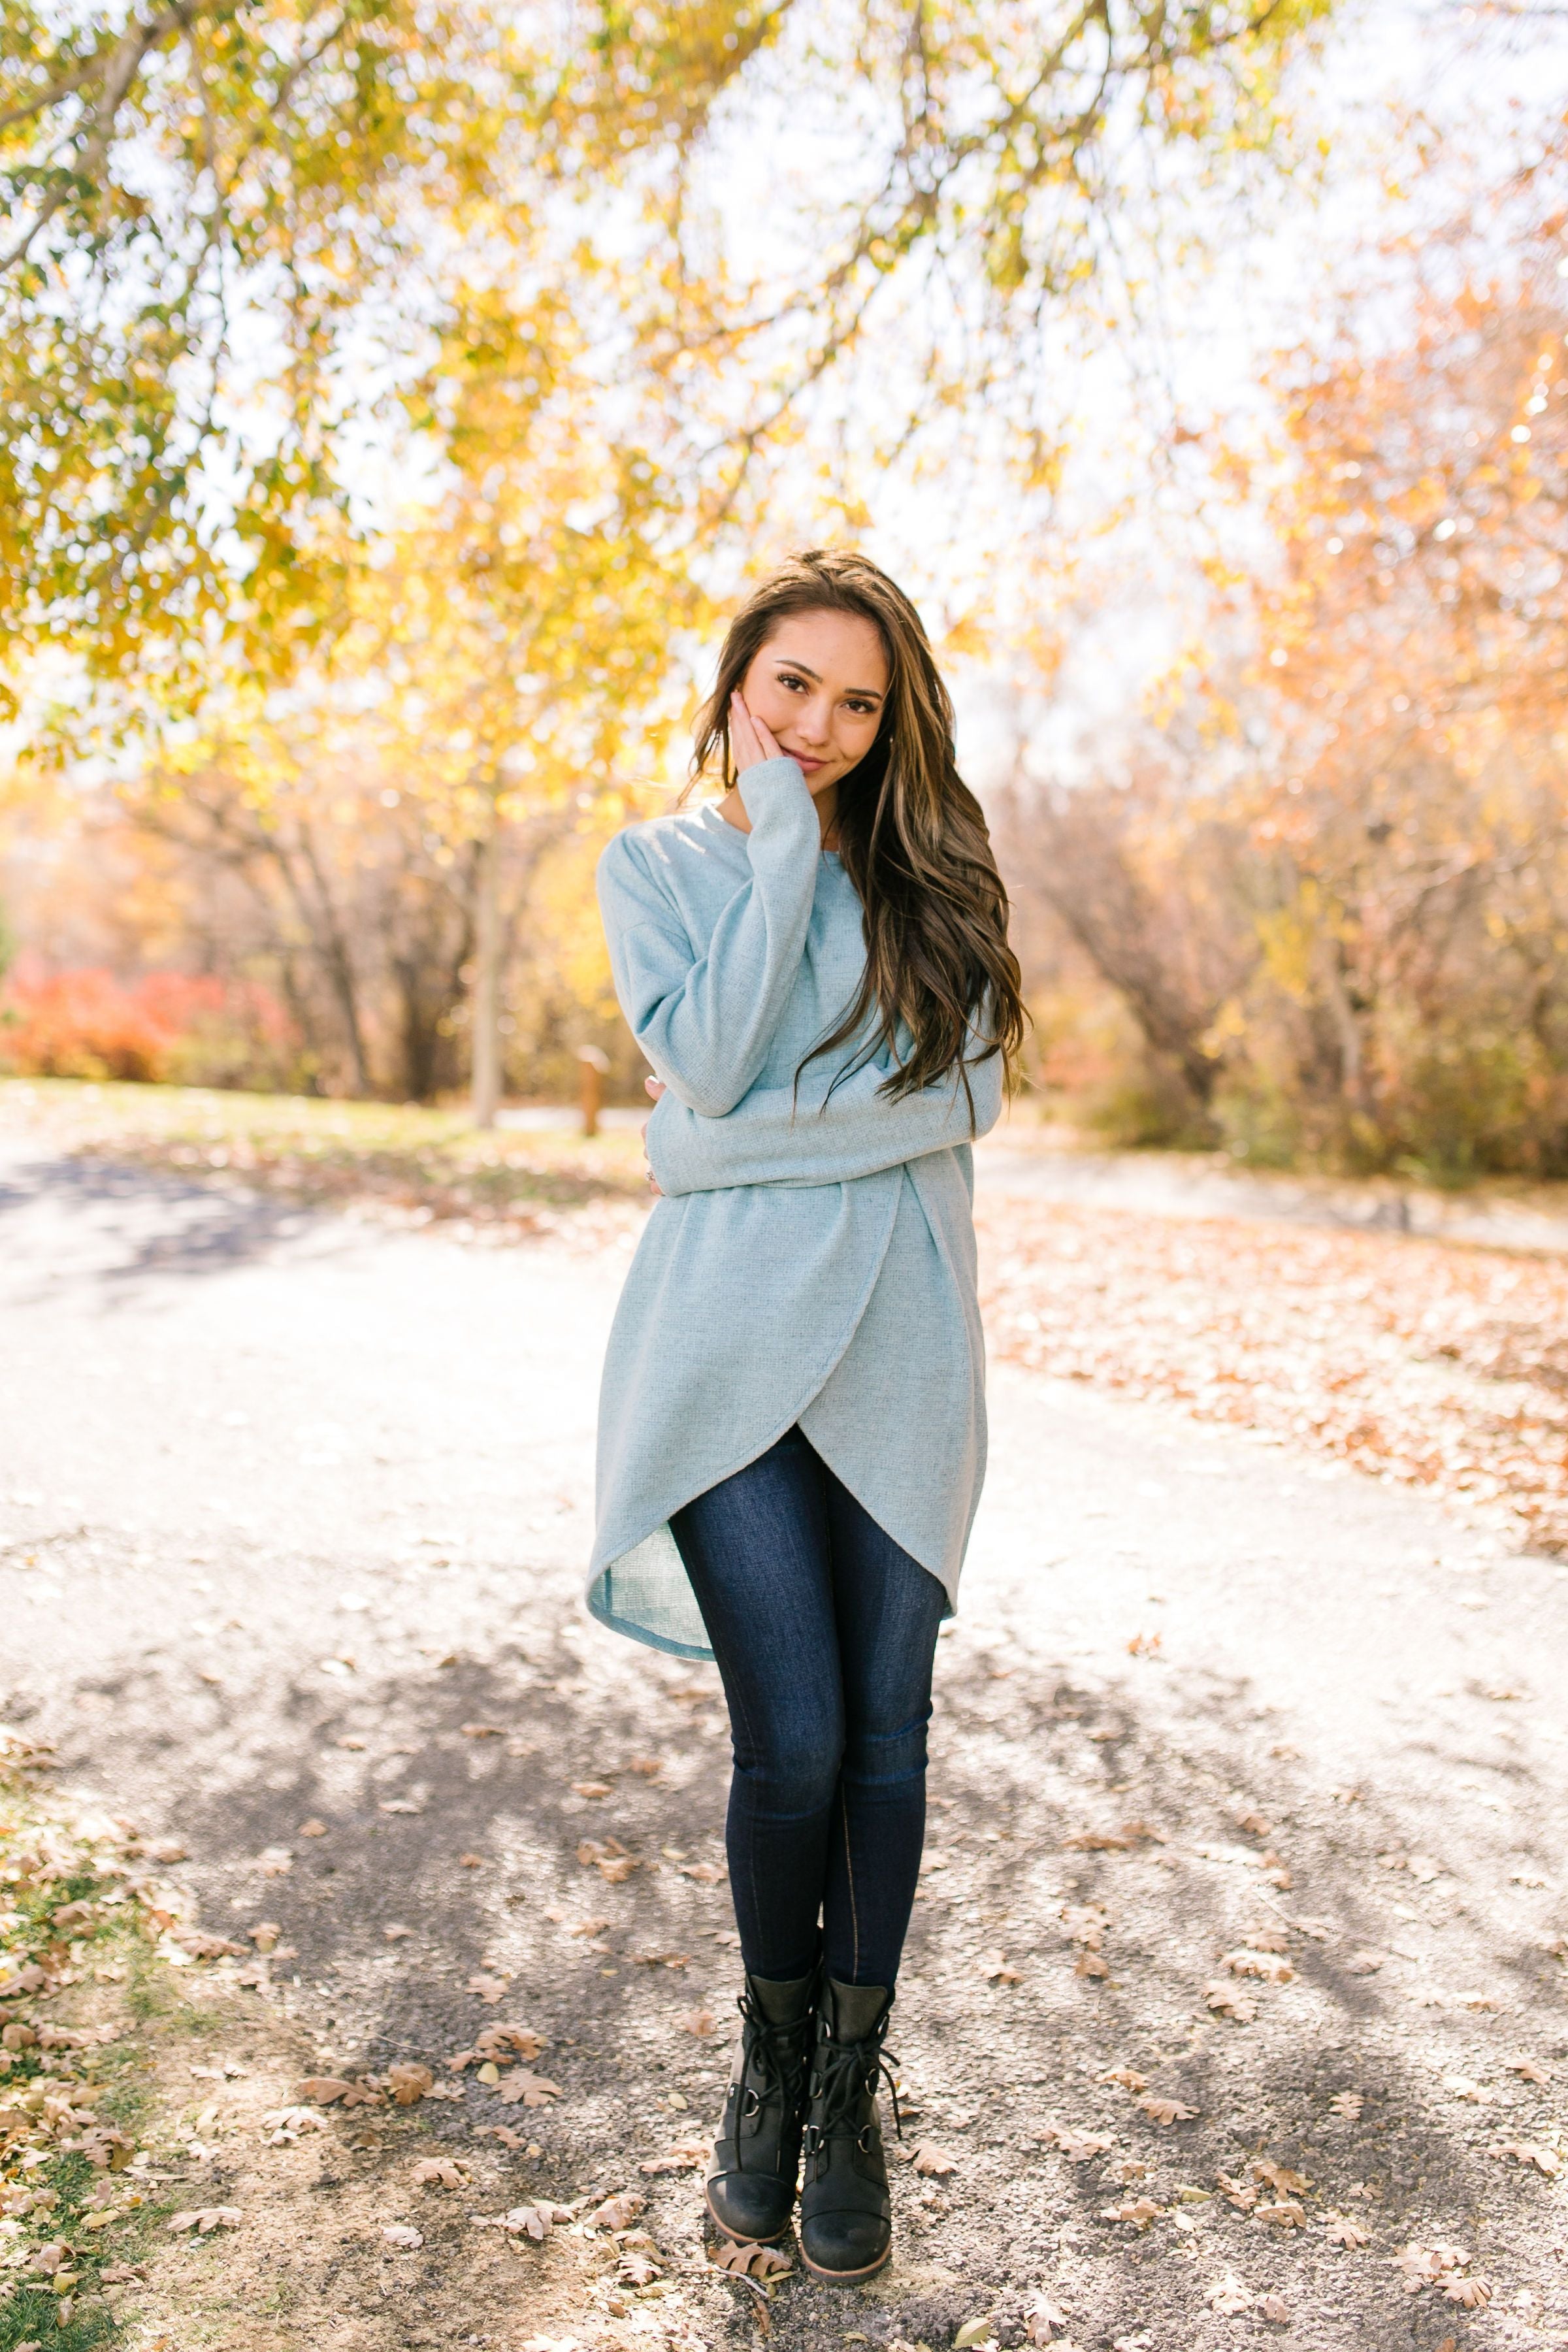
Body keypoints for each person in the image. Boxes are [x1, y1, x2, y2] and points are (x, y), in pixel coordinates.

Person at [588, 548, 1024, 2283]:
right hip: (722, 1358)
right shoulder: (662, 866)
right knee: (797, 1746)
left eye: (858, 701)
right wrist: (776, 848)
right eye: (794, 689)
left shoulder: (944, 885)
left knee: (892, 1740)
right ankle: (769, 2071)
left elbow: (963, 1104)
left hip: (903, 1342)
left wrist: (709, 1152)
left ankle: (852, 2090)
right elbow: (710, 1051)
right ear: (738, 684)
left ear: (896, 714)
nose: (823, 727)